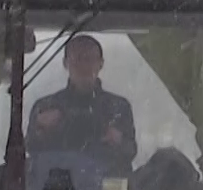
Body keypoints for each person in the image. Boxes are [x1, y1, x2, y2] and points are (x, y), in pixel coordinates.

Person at [25, 34, 137, 181]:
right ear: (66, 63)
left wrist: (118, 140)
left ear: (101, 64)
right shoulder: (46, 107)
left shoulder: (118, 108)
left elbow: (130, 153)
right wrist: (42, 129)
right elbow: (31, 151)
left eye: (90, 59)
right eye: (78, 59)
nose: (84, 66)